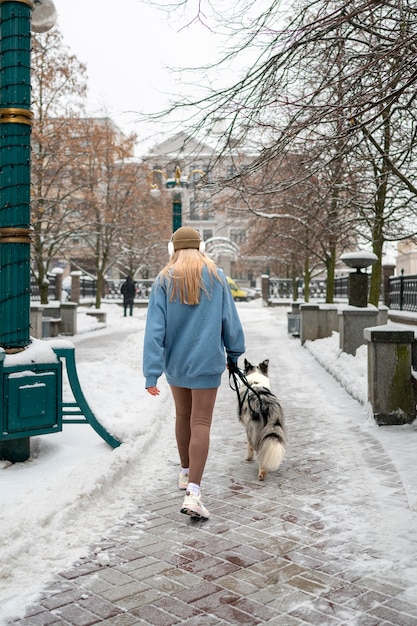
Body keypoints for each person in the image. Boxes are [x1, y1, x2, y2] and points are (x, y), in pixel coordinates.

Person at [143, 226, 245, 520]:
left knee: (182, 416)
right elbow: (230, 320)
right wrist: (234, 353)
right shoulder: (216, 277)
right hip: (207, 362)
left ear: (172, 249)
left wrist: (152, 372)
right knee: (201, 422)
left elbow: (154, 331)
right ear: (201, 248)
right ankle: (194, 492)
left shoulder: (164, 280)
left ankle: (185, 471)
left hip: (177, 364)